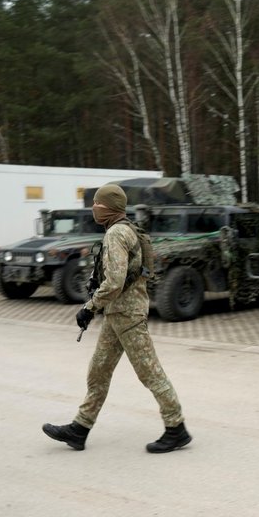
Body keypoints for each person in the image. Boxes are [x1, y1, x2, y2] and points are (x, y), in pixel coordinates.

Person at [42, 184, 192, 453]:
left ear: (108, 207)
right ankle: (80, 428)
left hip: (128, 315)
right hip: (117, 314)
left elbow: (114, 281)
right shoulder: (124, 229)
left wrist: (89, 307)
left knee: (151, 373)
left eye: (97, 204)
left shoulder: (117, 234)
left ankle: (176, 428)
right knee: (98, 372)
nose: (93, 208)